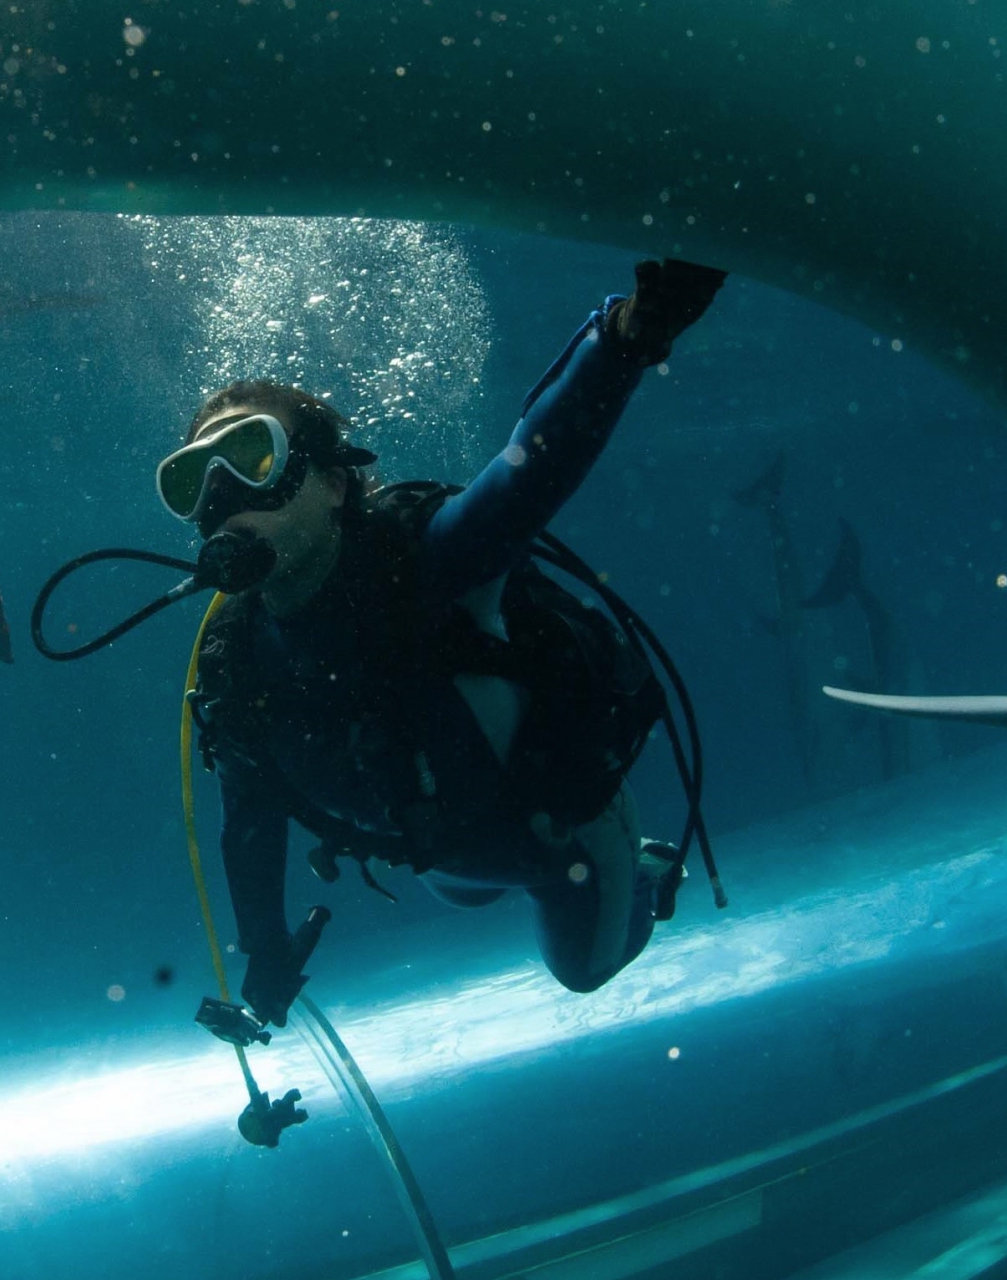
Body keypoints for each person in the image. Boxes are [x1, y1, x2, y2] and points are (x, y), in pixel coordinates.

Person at [165, 260, 728, 1028]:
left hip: (552, 837)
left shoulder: (425, 562)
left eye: (254, 460)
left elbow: (529, 471)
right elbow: (249, 816)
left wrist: (624, 339)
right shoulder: (235, 666)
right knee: (464, 890)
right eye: (194, 479)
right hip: (442, 855)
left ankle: (643, 870)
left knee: (584, 971)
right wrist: (264, 946)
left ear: (334, 484)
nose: (222, 497)